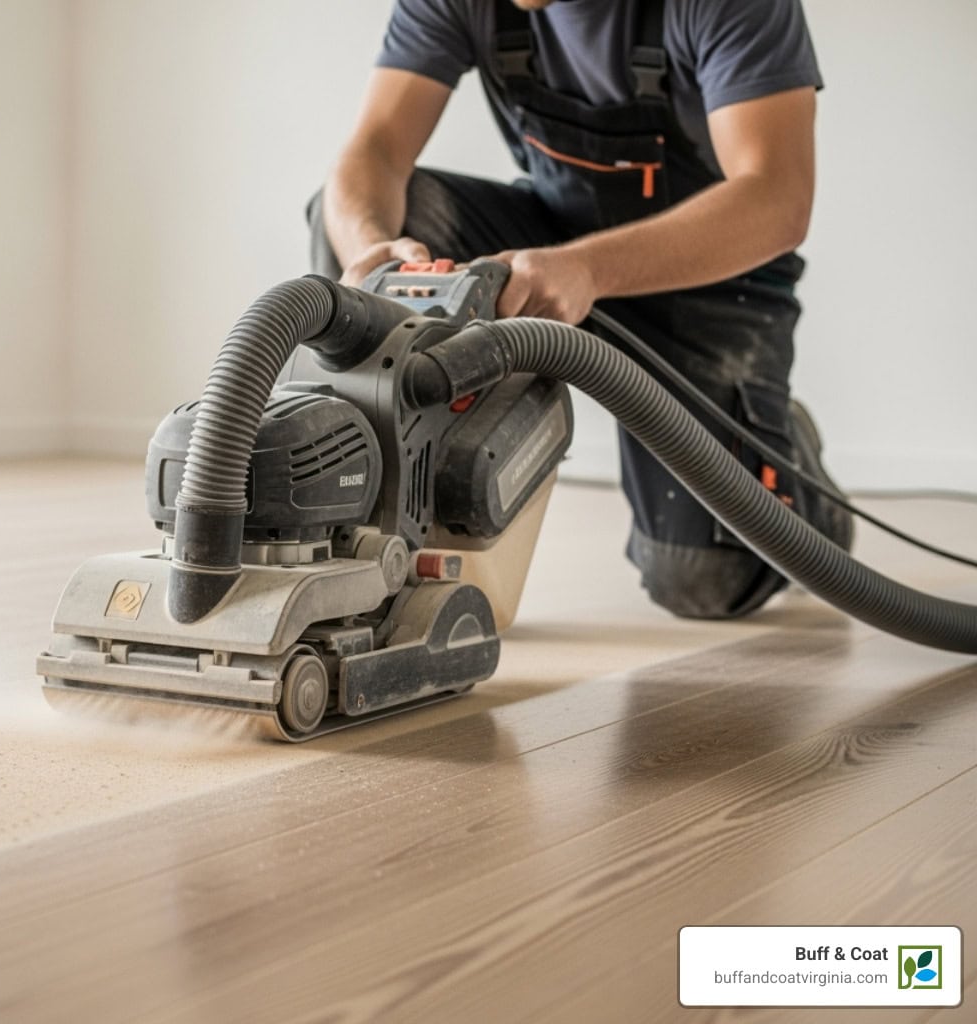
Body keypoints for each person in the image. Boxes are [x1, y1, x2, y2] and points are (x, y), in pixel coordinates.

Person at [311, 0, 853, 620]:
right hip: (549, 244)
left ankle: (791, 473)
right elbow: (377, 148)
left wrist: (590, 269)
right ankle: (380, 536)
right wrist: (371, 251)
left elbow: (777, 196)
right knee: (362, 231)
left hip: (706, 282)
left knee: (701, 578)